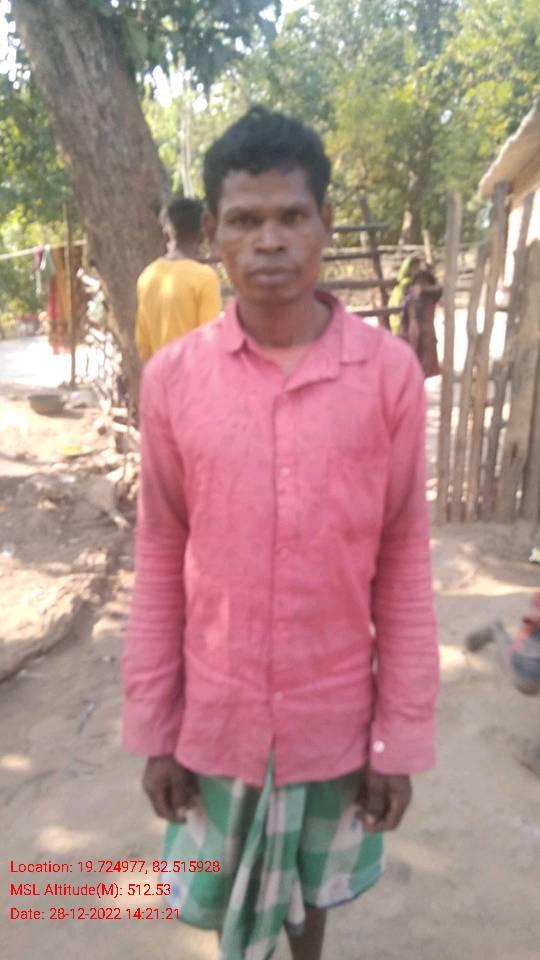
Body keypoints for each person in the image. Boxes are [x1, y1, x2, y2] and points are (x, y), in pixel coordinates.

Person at [122, 107, 439, 960]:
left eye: (292, 215)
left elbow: (403, 561)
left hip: (334, 720)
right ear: (213, 236)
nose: (270, 241)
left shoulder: (387, 376)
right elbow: (160, 553)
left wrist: (396, 737)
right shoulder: (175, 381)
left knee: (308, 905)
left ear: (324, 223)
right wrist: (155, 727)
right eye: (245, 220)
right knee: (228, 901)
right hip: (215, 717)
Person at [135, 195, 222, 361]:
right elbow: (209, 343)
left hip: (160, 372)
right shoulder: (204, 277)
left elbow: (143, 344)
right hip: (195, 374)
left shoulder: (147, 276)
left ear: (167, 234)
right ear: (203, 234)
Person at [399, 267, 442, 379]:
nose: (420, 285)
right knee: (414, 365)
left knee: (426, 367)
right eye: (418, 283)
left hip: (427, 335)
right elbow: (404, 320)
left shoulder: (431, 296)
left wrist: (423, 289)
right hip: (414, 334)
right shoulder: (410, 298)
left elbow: (439, 289)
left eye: (424, 283)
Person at [388, 254, 421, 334]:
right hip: (401, 316)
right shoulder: (407, 283)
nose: (417, 271)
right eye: (414, 268)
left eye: (418, 268)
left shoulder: (414, 281)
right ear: (408, 269)